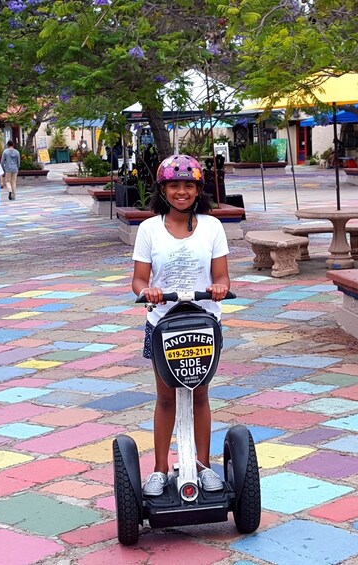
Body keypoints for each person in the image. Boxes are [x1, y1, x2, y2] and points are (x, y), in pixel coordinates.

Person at [130, 154, 230, 497]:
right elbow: (139, 280)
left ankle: (202, 466)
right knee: (166, 398)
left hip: (203, 322)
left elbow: (222, 276)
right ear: (163, 189)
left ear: (198, 189)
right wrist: (148, 291)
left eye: (189, 185)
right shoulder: (149, 229)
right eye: (174, 185)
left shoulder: (212, 227)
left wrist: (220, 288)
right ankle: (159, 469)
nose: (182, 191)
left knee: (199, 395)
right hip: (163, 324)